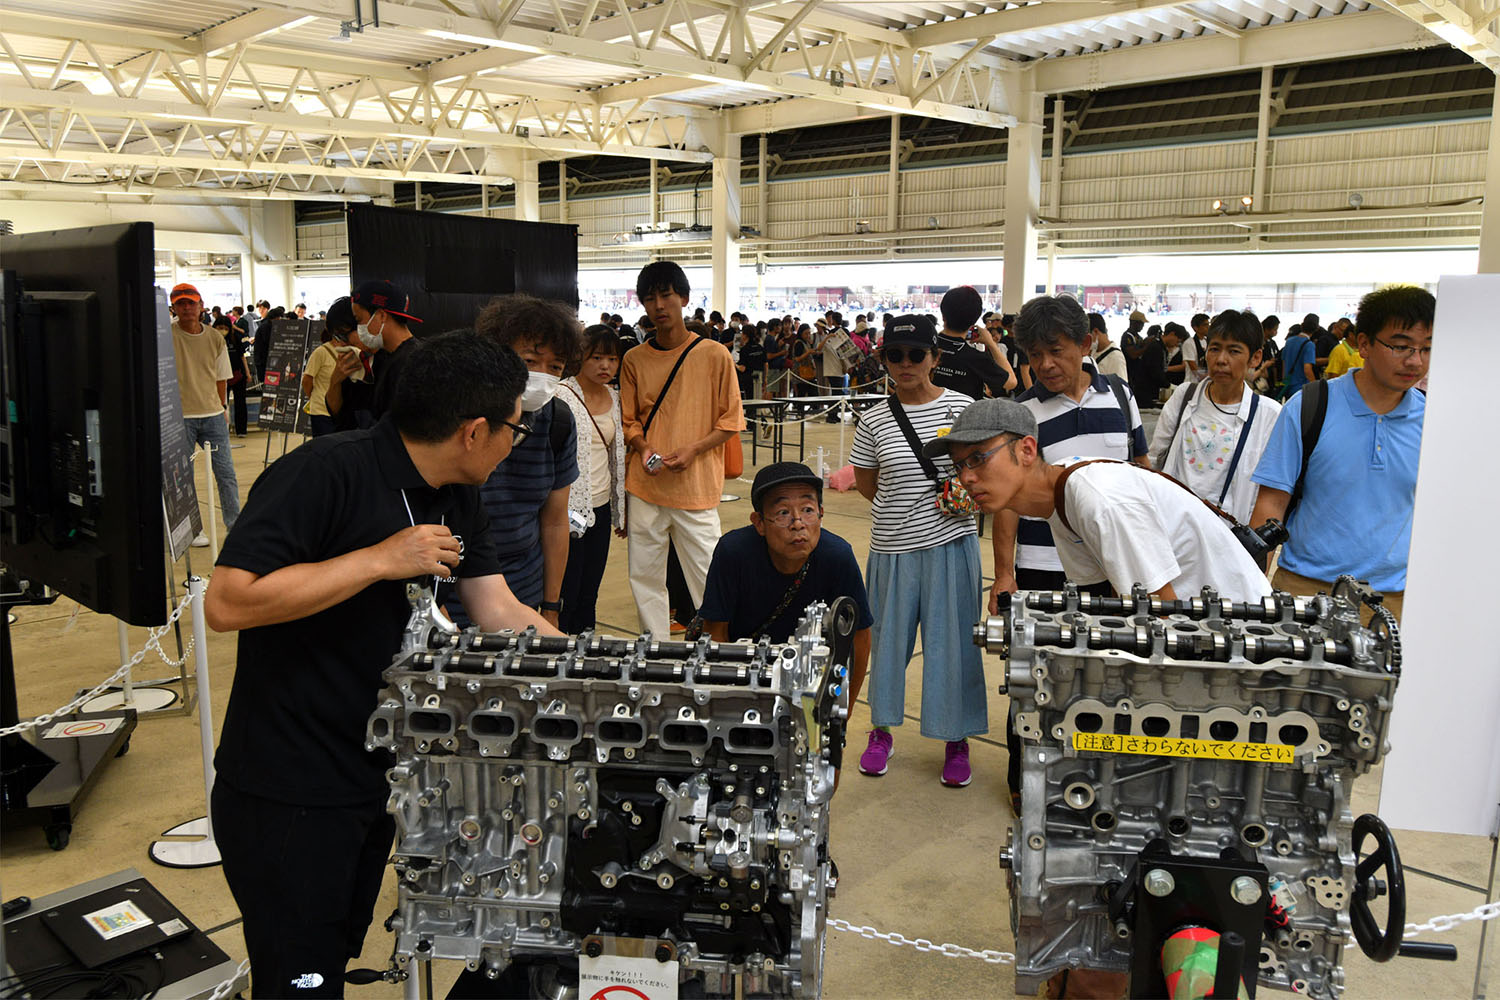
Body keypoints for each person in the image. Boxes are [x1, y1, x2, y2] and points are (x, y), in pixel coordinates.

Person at [204, 330, 560, 999]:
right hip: (292, 786)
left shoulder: (458, 490)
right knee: (298, 975)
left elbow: (496, 606)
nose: (518, 441)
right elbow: (227, 602)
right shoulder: (323, 472)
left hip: (381, 775)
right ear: (474, 430)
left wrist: (600, 666)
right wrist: (379, 561)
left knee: (333, 950)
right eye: (515, 426)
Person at [936, 397, 1271, 601]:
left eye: (978, 458)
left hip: (1242, 639)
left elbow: (1160, 615)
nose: (966, 477)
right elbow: (1112, 597)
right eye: (960, 465)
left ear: (1026, 449)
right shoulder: (1060, 504)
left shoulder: (1096, 499)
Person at [848, 314, 985, 788]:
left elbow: (982, 470)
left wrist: (955, 498)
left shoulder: (964, 408)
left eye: (915, 355)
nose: (904, 365)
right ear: (883, 358)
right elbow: (868, 484)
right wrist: (905, 511)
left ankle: (957, 740)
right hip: (892, 548)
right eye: (893, 355)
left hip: (952, 545)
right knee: (886, 645)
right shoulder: (873, 418)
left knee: (954, 647)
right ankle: (880, 732)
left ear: (935, 358)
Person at [1249, 285, 1433, 622]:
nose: (1415, 361)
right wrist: (1251, 586)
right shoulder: (1311, 405)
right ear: (1363, 344)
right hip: (1305, 590)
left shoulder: (1434, 421)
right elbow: (1271, 504)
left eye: (1427, 349)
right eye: (1402, 346)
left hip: (1394, 600)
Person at [991, 295, 1149, 609]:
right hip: (1044, 566)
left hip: (1113, 562)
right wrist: (1004, 574)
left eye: (1056, 351)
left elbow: (1141, 469)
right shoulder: (1022, 413)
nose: (1045, 364)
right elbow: (1009, 502)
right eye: (1035, 355)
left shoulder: (1119, 395)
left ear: (1085, 344)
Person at [619, 261, 744, 636]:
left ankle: (719, 650)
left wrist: (693, 450)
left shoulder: (713, 354)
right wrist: (642, 448)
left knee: (709, 576)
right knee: (644, 575)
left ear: (684, 299)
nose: (658, 305)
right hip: (646, 485)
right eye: (650, 298)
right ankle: (654, 648)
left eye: (666, 295)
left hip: (696, 487)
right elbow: (629, 421)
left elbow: (731, 420)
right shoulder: (634, 359)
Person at [698, 462, 872, 707]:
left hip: (810, 677)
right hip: (744, 671)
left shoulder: (837, 556)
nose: (798, 523)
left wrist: (844, 708)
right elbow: (716, 633)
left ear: (821, 513)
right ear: (759, 522)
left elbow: (859, 636)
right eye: (783, 513)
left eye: (808, 509)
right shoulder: (733, 552)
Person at [470, 294, 583, 627]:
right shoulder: (463, 416)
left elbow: (554, 520)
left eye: (555, 368)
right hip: (458, 592)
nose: (541, 375)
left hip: (523, 588)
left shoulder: (558, 422)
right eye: (530, 360)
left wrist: (551, 604)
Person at [1148, 309, 1282, 523]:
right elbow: (1153, 461)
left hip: (1228, 538)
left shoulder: (1269, 415)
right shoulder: (1184, 397)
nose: (1221, 360)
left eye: (1234, 351)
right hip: (1173, 530)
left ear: (1255, 357)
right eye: (1215, 349)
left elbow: (1271, 493)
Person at [557, 325, 627, 633]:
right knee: (566, 589)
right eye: (596, 357)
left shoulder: (617, 398)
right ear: (580, 357)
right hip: (565, 508)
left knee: (590, 589)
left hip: (600, 507)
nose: (605, 366)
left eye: (612, 359)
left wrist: (619, 511)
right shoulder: (561, 395)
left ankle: (585, 650)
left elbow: (619, 458)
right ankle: (560, 647)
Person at [169, 283, 241, 545]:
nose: (187, 308)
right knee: (181, 477)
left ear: (200, 306)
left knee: (226, 473)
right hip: (180, 418)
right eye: (181, 303)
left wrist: (223, 407)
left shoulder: (214, 338)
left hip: (212, 415)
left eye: (191, 302)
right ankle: (190, 529)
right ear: (174, 307)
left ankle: (235, 526)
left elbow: (222, 377)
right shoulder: (165, 336)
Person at [931, 286, 1017, 399]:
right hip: (966, 415)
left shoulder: (926, 348)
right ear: (975, 320)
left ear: (943, 315)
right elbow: (1011, 382)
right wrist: (991, 344)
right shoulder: (976, 358)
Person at [353, 280, 421, 419]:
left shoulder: (408, 363)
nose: (359, 328)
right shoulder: (391, 356)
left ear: (381, 315)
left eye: (359, 320)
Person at [301, 312, 365, 437]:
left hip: (342, 411)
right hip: (322, 411)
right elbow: (307, 380)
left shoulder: (352, 351)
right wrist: (316, 397)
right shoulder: (321, 352)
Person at [216, 315, 250, 437]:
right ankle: (223, 429)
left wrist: (247, 373)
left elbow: (242, 356)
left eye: (225, 328)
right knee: (221, 403)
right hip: (220, 376)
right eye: (220, 327)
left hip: (238, 374)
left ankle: (241, 430)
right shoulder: (212, 339)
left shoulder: (236, 337)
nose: (223, 330)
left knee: (240, 402)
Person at [1280, 322, 1317, 399]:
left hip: (1288, 385)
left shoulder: (1289, 341)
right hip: (1301, 388)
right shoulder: (1309, 345)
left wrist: (1284, 380)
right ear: (1316, 329)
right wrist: (1315, 386)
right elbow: (1307, 369)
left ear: (1302, 325)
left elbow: (1284, 362)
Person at [1089, 312, 1128, 383]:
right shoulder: (1094, 351)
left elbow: (1121, 388)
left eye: (1087, 337)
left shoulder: (1116, 357)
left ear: (1095, 332)